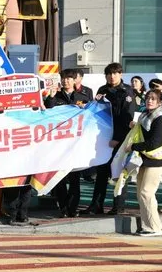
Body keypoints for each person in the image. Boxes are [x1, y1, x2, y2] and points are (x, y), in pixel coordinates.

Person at [82, 62, 135, 216]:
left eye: (115, 73)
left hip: (120, 138)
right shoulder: (102, 90)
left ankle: (118, 206)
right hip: (103, 138)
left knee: (118, 173)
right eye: (109, 74)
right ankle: (96, 205)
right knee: (101, 173)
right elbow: (96, 114)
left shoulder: (127, 92)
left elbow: (127, 118)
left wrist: (118, 138)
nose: (112, 77)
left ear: (121, 74)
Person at [44, 69, 91, 217]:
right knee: (59, 179)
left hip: (76, 144)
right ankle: (63, 207)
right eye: (63, 78)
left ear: (75, 80)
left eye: (69, 78)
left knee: (75, 179)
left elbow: (90, 117)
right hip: (58, 144)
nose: (66, 81)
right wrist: (50, 98)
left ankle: (72, 208)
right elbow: (46, 113)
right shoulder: (55, 96)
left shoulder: (82, 97)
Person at [131, 90, 162, 237]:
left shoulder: (160, 119)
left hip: (156, 160)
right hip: (144, 159)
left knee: (147, 192)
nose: (150, 101)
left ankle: (155, 227)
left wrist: (134, 147)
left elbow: (155, 143)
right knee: (141, 194)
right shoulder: (143, 116)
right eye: (148, 98)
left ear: (160, 102)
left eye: (153, 99)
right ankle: (147, 226)